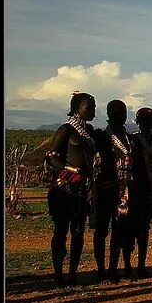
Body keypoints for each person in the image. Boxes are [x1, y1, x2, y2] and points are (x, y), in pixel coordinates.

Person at [45, 93, 98, 287]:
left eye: (93, 107)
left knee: (78, 231)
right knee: (61, 230)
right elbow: (51, 157)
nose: (93, 111)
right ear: (76, 109)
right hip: (65, 186)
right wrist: (73, 169)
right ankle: (58, 275)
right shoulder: (65, 129)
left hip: (83, 187)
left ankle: (73, 274)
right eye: (89, 107)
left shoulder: (89, 131)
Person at [101, 99, 134, 283]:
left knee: (122, 228)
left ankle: (119, 266)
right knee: (105, 230)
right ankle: (103, 270)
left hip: (126, 188)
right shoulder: (103, 137)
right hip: (108, 187)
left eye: (123, 112)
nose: (121, 116)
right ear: (109, 114)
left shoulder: (127, 137)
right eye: (117, 112)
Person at [129, 107, 152, 279]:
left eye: (151, 121)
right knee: (130, 226)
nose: (149, 124)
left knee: (144, 227)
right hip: (134, 187)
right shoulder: (133, 140)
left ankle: (141, 264)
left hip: (149, 188)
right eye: (146, 121)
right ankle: (128, 264)